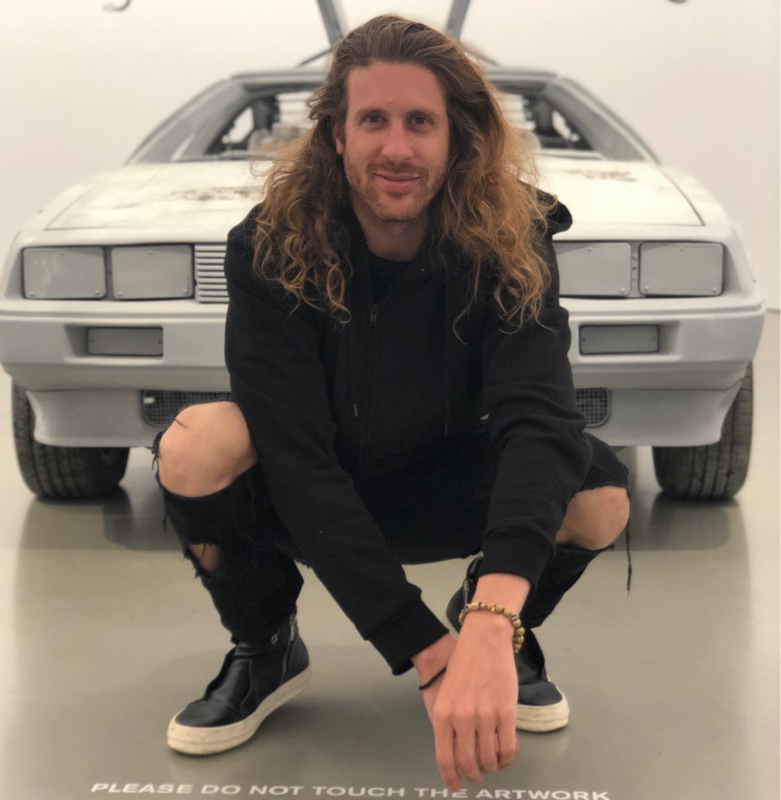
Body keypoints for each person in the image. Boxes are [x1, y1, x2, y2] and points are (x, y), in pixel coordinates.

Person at [154, 14, 630, 791]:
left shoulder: (513, 235)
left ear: (456, 137)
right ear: (336, 135)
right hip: (318, 488)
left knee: (600, 499)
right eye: (373, 120)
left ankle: (500, 633)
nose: (397, 148)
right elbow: (295, 458)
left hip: (451, 475)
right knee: (194, 443)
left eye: (421, 122)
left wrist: (491, 621)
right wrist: (424, 649)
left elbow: (540, 419)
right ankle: (266, 642)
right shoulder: (270, 244)